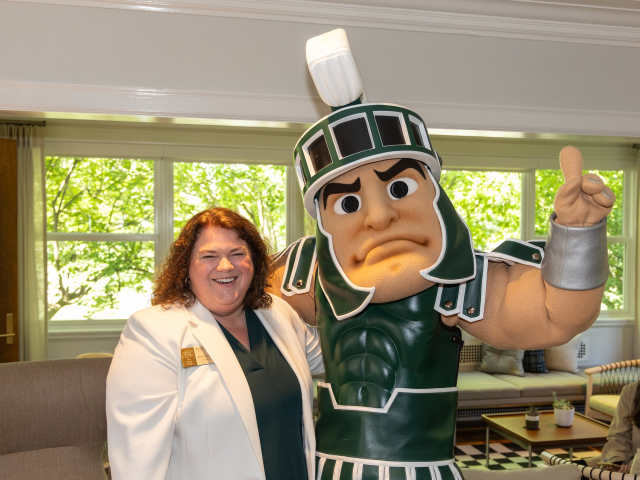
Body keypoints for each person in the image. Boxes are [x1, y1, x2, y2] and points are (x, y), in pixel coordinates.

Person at [270, 29, 614, 480]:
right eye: (348, 202)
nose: (378, 216)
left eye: (399, 187)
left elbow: (557, 316)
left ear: (435, 193)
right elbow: (243, 317)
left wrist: (578, 234)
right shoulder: (305, 270)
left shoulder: (461, 278)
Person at [106, 207, 324, 480]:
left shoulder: (278, 313)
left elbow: (336, 356)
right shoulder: (153, 331)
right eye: (209, 256)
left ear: (253, 261)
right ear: (186, 267)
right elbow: (137, 461)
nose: (225, 266)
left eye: (237, 254)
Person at [598, 381, 640, 474]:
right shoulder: (630, 391)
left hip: (634, 468)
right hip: (629, 466)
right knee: (571, 468)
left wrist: (632, 467)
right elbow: (619, 437)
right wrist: (616, 462)